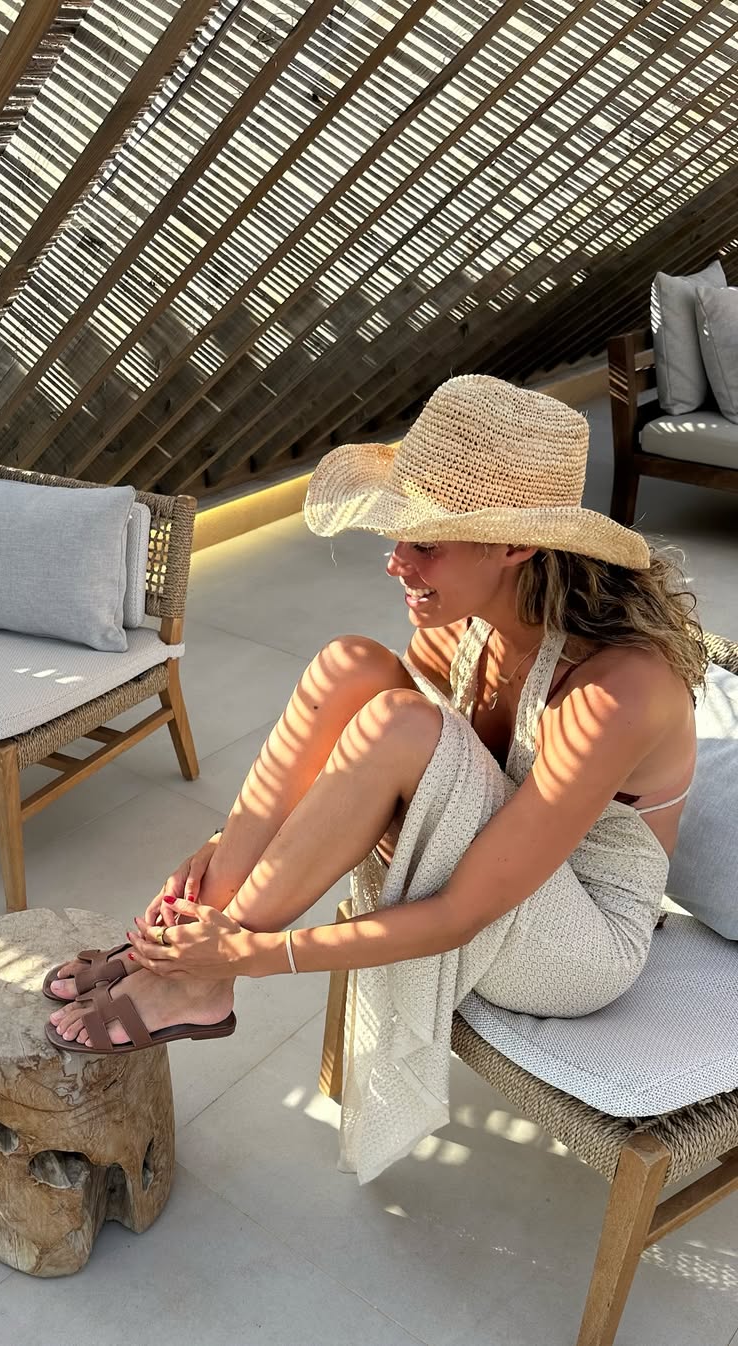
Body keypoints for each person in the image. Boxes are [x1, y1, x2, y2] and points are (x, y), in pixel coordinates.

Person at [44, 374, 705, 1182]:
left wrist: (258, 953)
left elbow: (461, 911)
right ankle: (189, 945)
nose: (396, 563)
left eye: (425, 544)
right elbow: (360, 769)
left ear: (515, 546)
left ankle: (200, 978)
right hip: (506, 870)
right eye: (399, 537)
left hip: (579, 945)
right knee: (349, 664)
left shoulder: (617, 691)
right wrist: (222, 849)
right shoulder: (467, 624)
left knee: (399, 722)